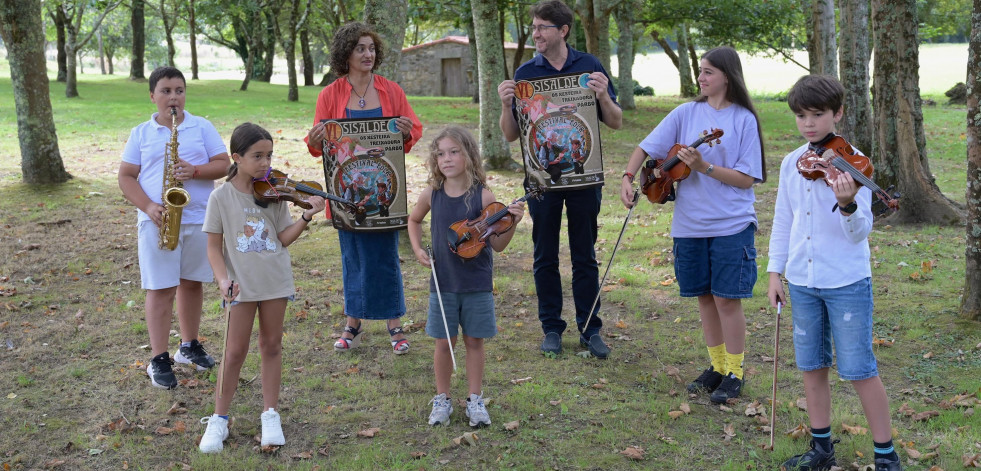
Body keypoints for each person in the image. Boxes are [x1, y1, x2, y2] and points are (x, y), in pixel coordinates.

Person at [768, 75, 901, 471]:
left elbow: (860, 232)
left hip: (845, 282)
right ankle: (821, 449)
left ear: (838, 113)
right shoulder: (793, 162)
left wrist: (846, 204)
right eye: (801, 116)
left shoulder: (853, 165)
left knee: (859, 368)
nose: (808, 123)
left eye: (817, 115)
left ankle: (885, 455)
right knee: (811, 366)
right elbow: (782, 220)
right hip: (803, 282)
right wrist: (775, 272)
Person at [619, 46, 766, 402]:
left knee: (727, 299)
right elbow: (646, 148)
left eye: (708, 72)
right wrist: (627, 175)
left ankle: (735, 370)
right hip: (689, 225)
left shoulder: (744, 119)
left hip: (731, 223)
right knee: (703, 297)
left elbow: (747, 179)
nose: (700, 78)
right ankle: (716, 367)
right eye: (700, 71)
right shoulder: (686, 112)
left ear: (727, 77)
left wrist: (704, 167)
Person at [497, 0, 622, 358]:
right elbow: (510, 136)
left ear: (563, 31)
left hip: (583, 179)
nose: (535, 33)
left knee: (585, 256)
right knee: (544, 255)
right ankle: (551, 328)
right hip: (541, 181)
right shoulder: (525, 73)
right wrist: (507, 105)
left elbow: (615, 121)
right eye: (534, 26)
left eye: (542, 27)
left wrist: (602, 95)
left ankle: (589, 329)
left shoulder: (589, 66)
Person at [198, 123, 326, 453]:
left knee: (271, 346)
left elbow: (282, 239)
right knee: (235, 352)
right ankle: (220, 419)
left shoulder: (274, 193)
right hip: (240, 286)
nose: (266, 163)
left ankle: (270, 414)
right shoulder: (221, 197)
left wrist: (306, 217)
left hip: (275, 281)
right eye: (258, 156)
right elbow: (213, 247)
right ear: (236, 157)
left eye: (269, 155)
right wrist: (223, 280)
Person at [304, 22, 423, 354]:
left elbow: (413, 132)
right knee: (353, 257)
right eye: (360, 48)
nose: (367, 54)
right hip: (347, 190)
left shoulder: (391, 91)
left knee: (386, 256)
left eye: (371, 48)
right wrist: (314, 138)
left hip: (384, 188)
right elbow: (318, 144)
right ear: (347, 54)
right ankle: (352, 324)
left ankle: (395, 325)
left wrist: (405, 129)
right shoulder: (330, 94)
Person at [118, 66, 230, 390]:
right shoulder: (141, 133)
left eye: (179, 90)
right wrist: (149, 206)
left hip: (197, 218)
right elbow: (126, 176)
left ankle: (189, 346)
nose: (173, 97)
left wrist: (194, 171)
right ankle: (158, 359)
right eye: (166, 91)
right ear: (152, 95)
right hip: (157, 219)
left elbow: (224, 165)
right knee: (161, 288)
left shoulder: (201, 126)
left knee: (192, 284)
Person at [406, 126, 525, 427]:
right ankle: (442, 399)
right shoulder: (432, 194)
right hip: (443, 281)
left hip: (476, 283)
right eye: (441, 154)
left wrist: (512, 223)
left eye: (454, 152)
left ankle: (475, 399)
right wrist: (418, 248)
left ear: (469, 155)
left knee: (474, 341)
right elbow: (414, 219)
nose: (446, 159)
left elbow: (497, 244)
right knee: (444, 343)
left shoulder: (484, 196)